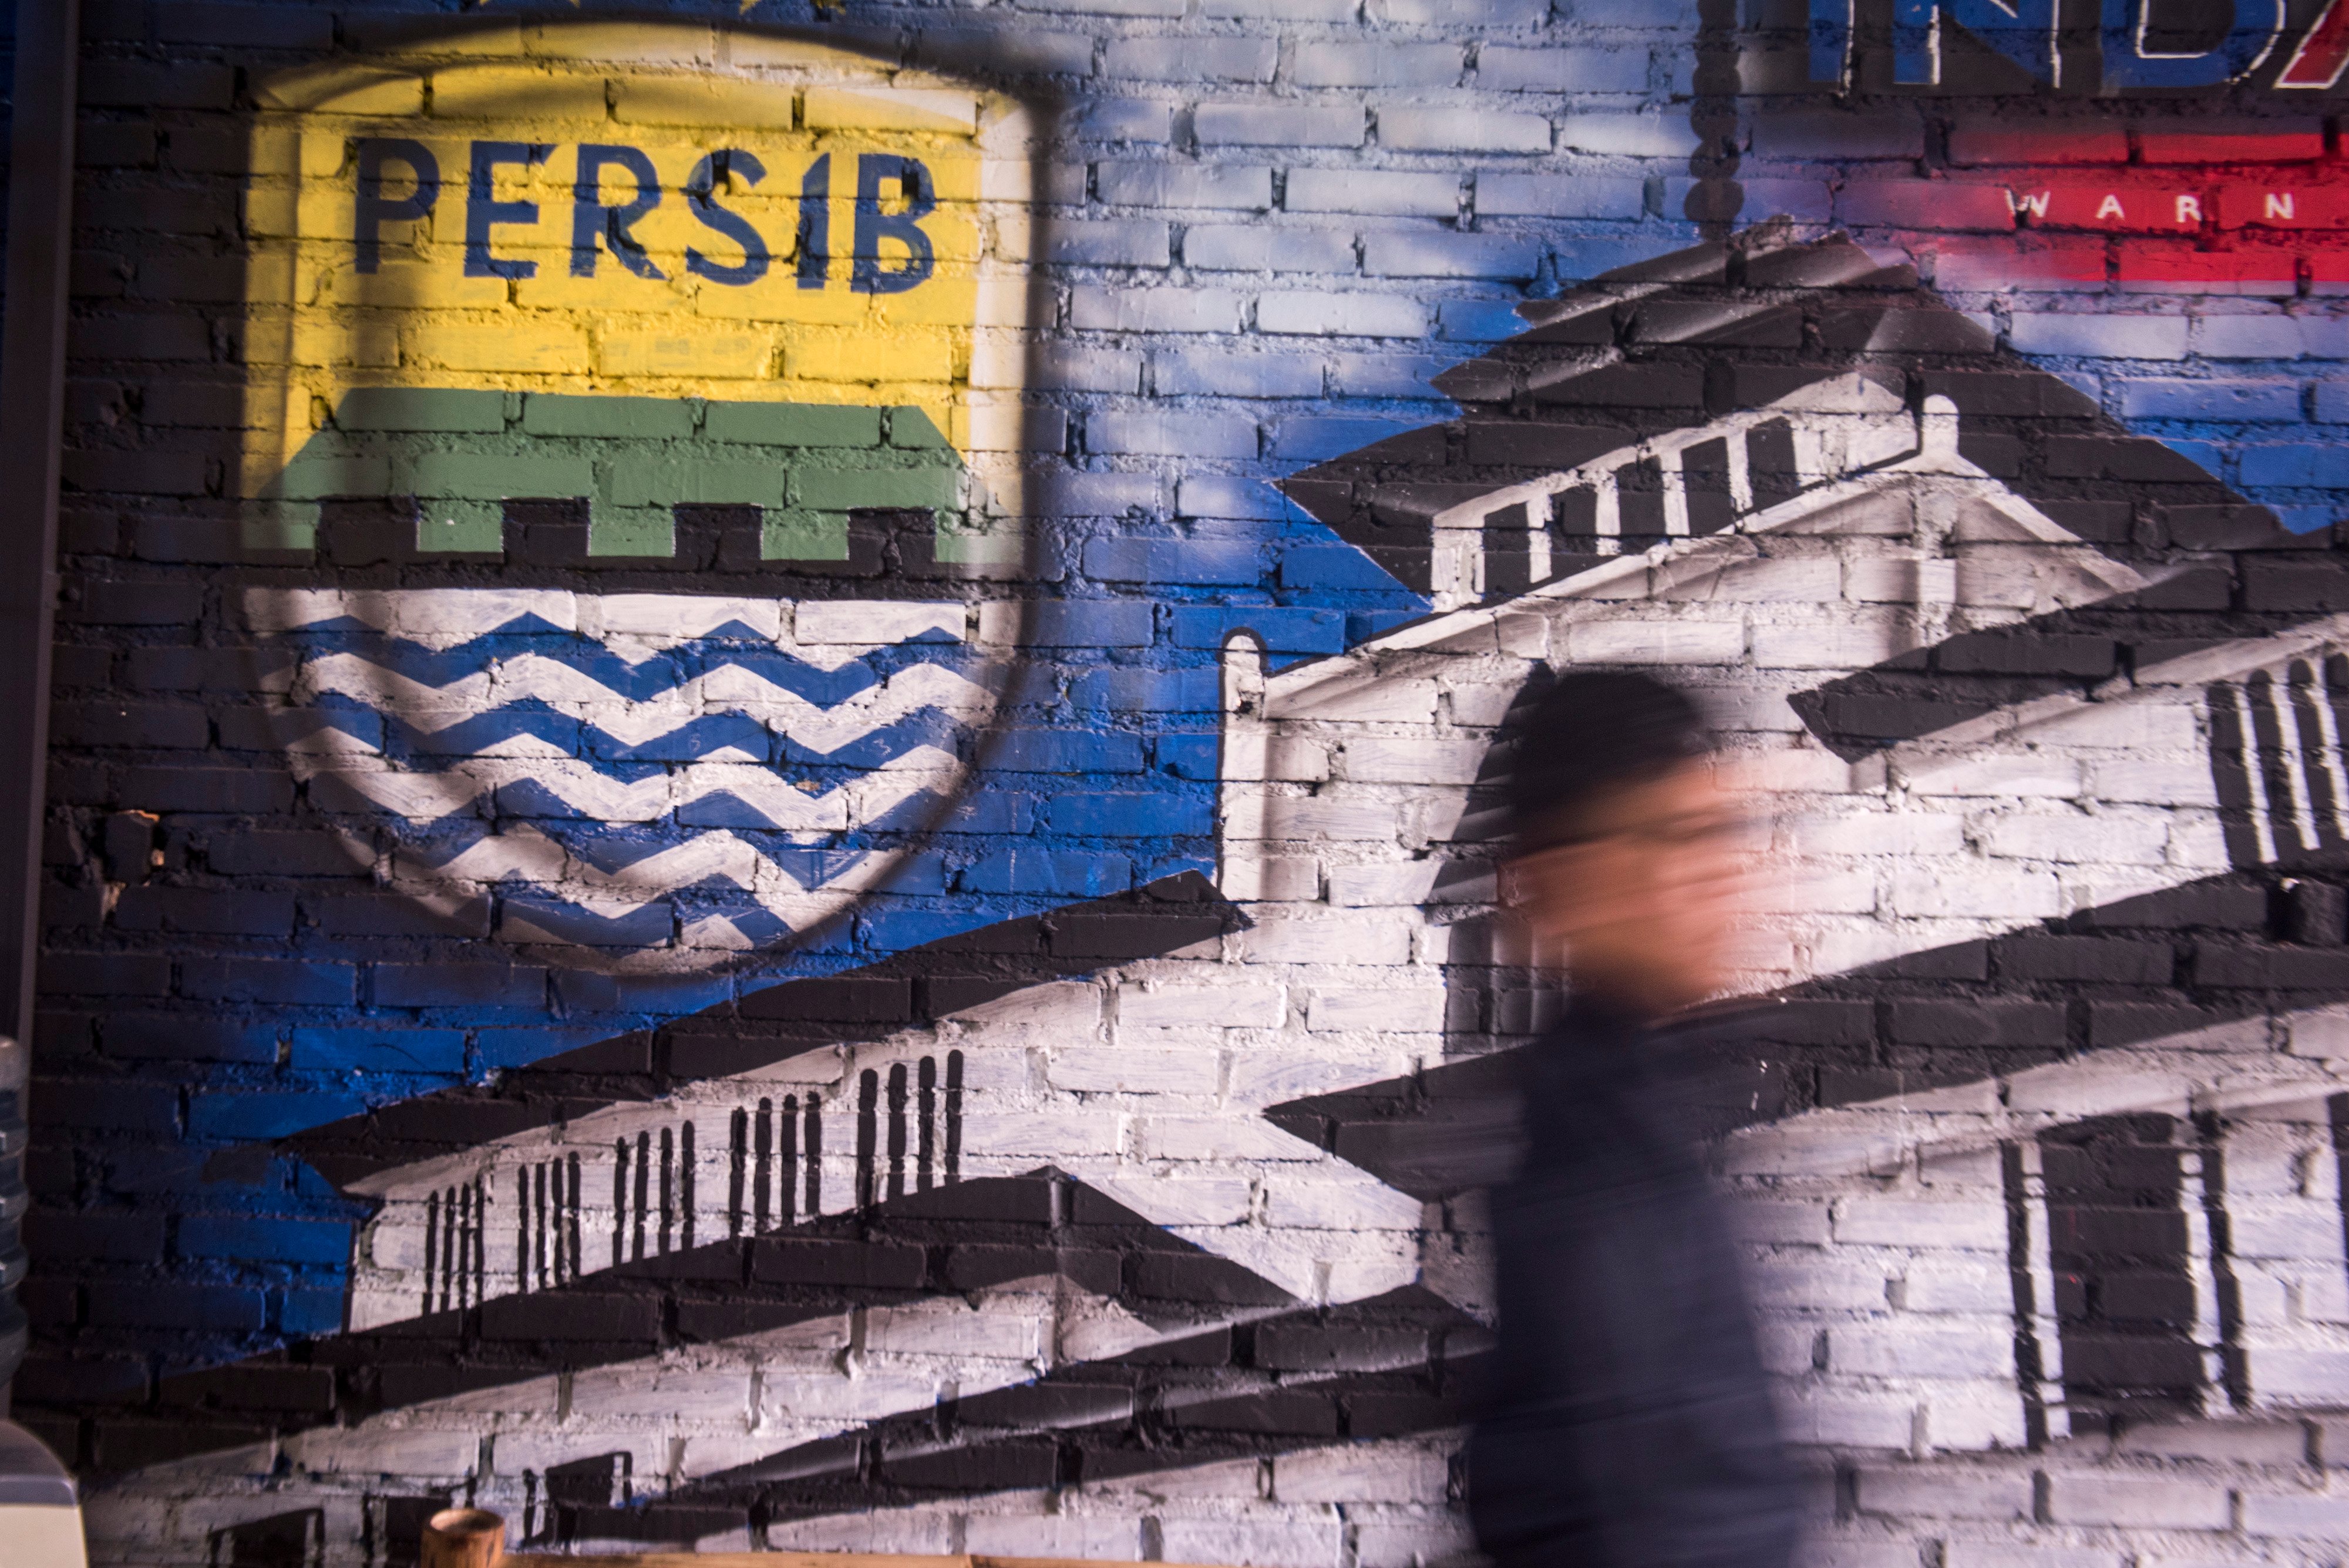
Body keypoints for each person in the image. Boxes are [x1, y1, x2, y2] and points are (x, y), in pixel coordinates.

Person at [1468, 669, 1802, 1568]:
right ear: (1562, 877)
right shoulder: (1597, 1181)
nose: (1717, 872)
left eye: (1719, 832)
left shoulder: (1631, 1113)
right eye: (1673, 835)